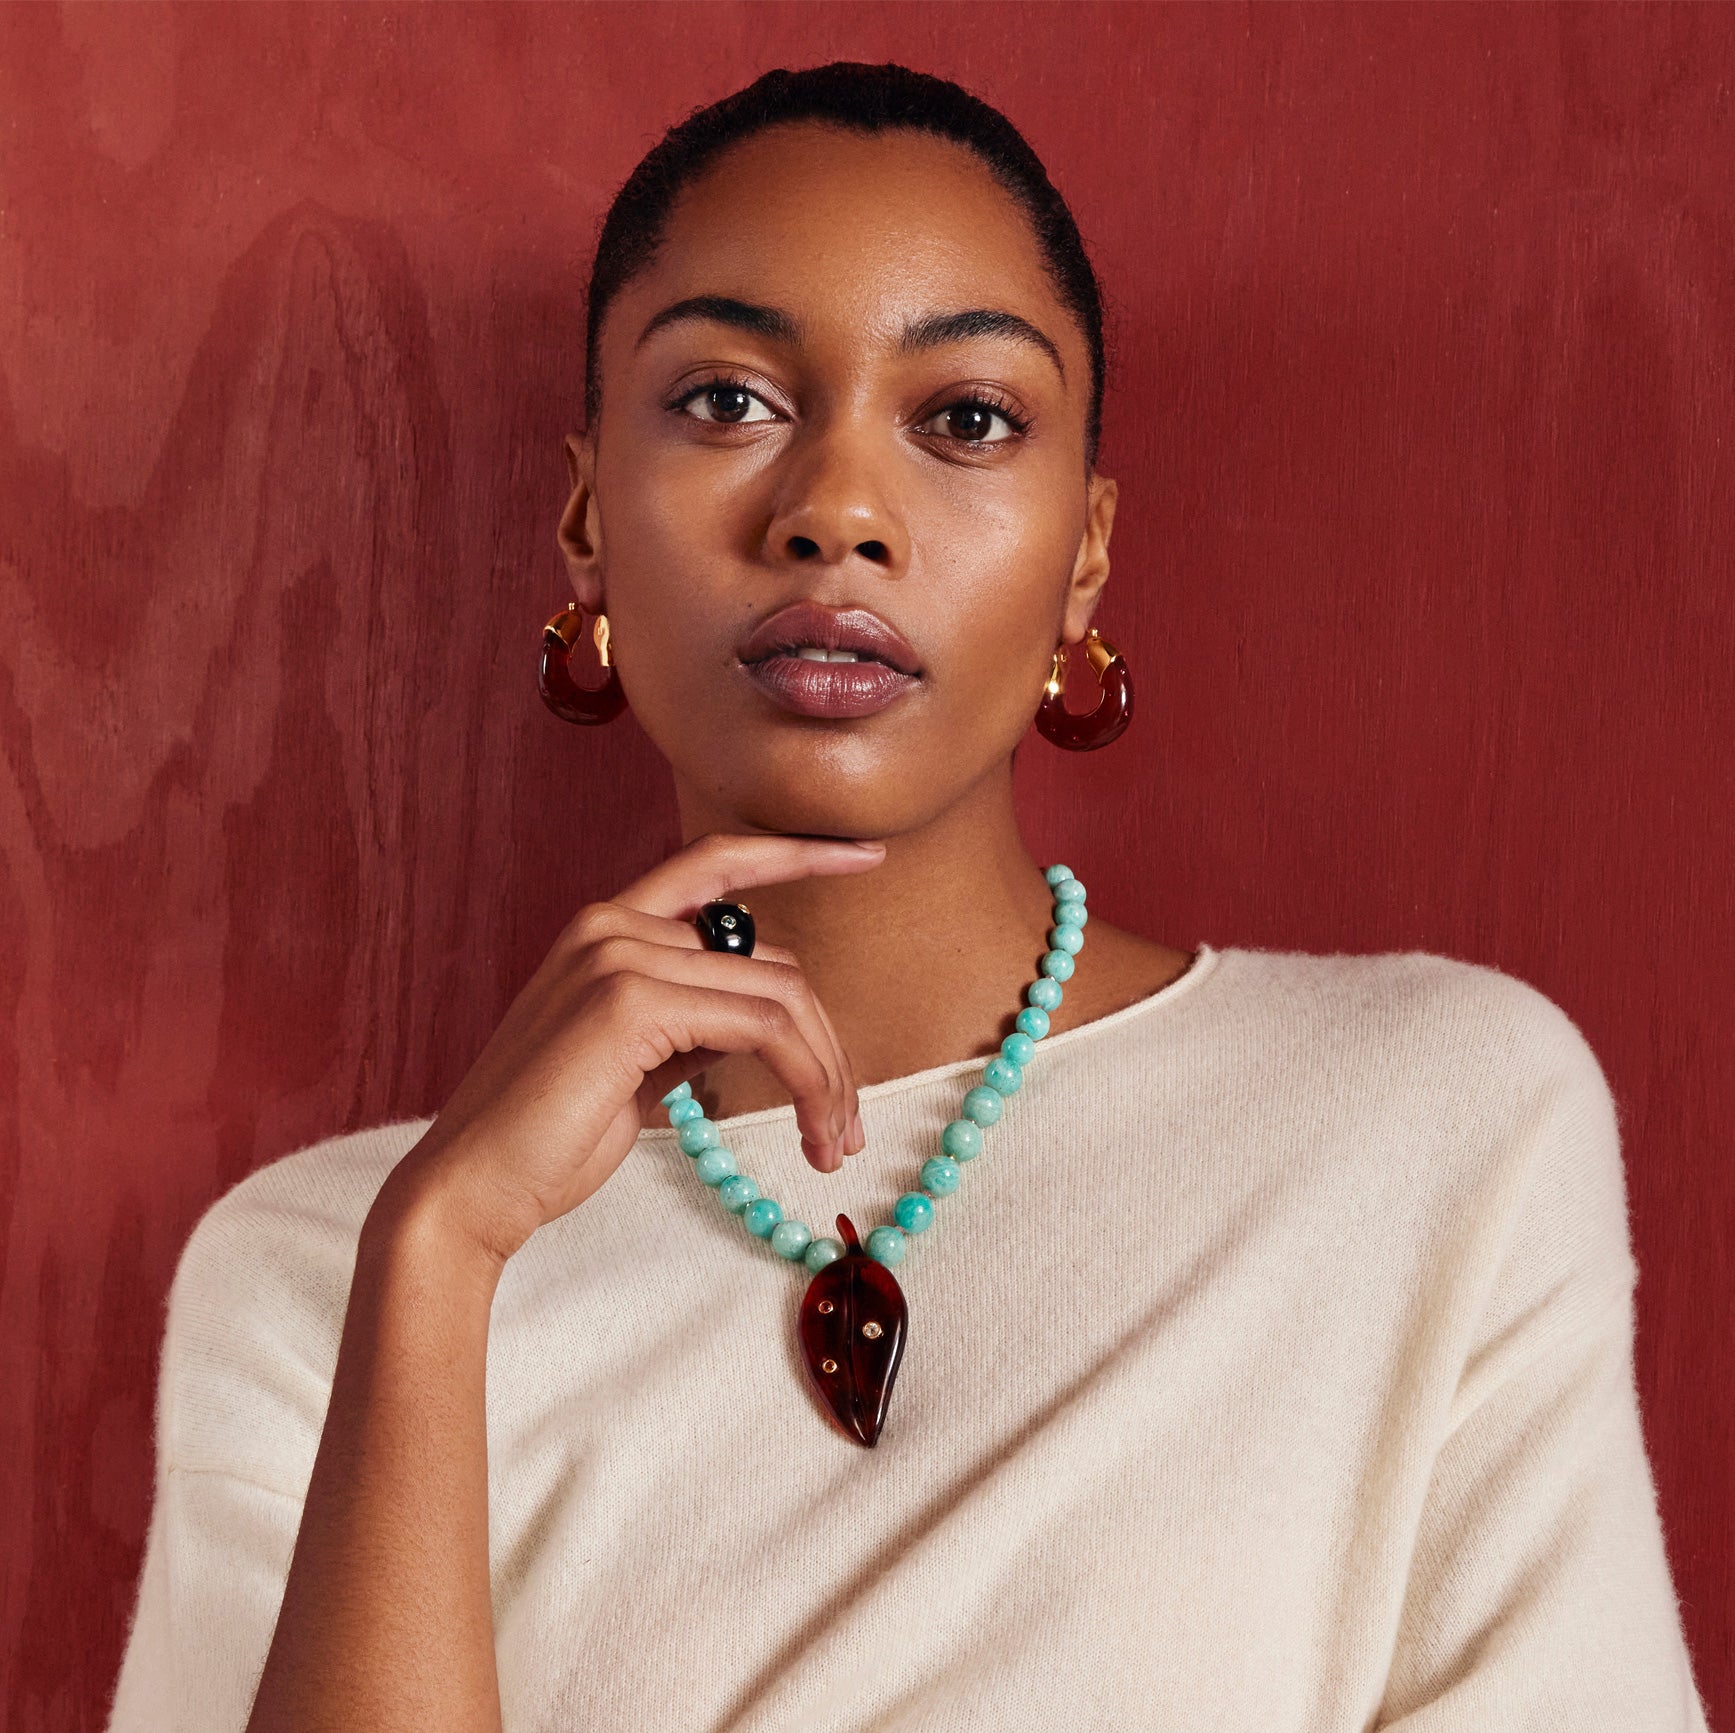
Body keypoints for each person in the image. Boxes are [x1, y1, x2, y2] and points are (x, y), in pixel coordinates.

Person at [106, 60, 1710, 1733]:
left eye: (968, 420)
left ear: (1086, 553)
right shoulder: (322, 1275)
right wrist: (443, 1259)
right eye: (726, 400)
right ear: (586, 520)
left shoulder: (1433, 1124)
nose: (837, 514)